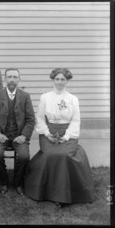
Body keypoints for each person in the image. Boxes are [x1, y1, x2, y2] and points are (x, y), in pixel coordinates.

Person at [24, 68, 95, 208]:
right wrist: (46, 133)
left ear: (67, 81)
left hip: (67, 133)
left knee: (63, 155)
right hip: (49, 132)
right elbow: (40, 118)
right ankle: (44, 191)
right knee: (50, 154)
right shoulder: (45, 97)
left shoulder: (73, 99)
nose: (60, 82)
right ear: (53, 80)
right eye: (57, 79)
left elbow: (76, 120)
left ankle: (63, 195)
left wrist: (67, 136)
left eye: (63, 79)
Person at [0, 68, 35, 195]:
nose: (12, 80)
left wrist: (24, 135)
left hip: (19, 136)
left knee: (24, 157)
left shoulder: (25, 96)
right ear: (5, 79)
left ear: (19, 79)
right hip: (0, 136)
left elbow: (30, 119)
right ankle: (3, 181)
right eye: (9, 77)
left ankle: (18, 182)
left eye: (14, 77)